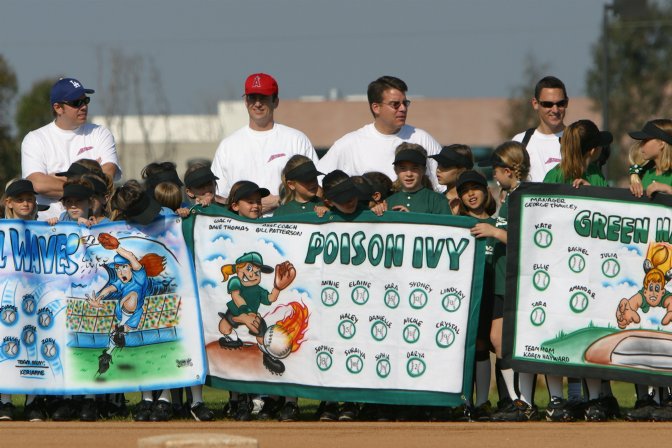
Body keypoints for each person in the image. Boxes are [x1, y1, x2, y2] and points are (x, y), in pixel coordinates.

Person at [476, 141, 536, 422]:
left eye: (497, 171)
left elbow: (528, 240)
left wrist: (493, 231)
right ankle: (515, 401)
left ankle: (522, 402)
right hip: (502, 280)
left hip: (516, 281)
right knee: (497, 338)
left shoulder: (525, 196)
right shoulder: (510, 195)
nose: (494, 177)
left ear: (509, 170)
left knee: (509, 340)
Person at [210, 73, 319, 215]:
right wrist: (248, 206)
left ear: (275, 102)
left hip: (288, 227)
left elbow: (317, 188)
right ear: (245, 101)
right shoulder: (228, 145)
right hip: (242, 231)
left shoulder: (296, 139)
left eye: (263, 98)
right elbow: (218, 197)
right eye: (252, 98)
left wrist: (280, 200)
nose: (257, 103)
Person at [21, 77, 121, 220]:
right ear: (58, 108)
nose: (84, 106)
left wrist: (56, 180)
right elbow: (38, 184)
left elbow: (107, 177)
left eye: (86, 101)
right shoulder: (34, 139)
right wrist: (90, 179)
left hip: (92, 226)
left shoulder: (101, 133)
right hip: (50, 230)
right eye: (76, 103)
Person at [317, 76, 442, 190]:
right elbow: (318, 182)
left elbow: (442, 186)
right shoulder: (350, 143)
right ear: (376, 107)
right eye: (395, 104)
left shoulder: (422, 138)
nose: (403, 108)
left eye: (405, 103)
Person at [455, 170, 498, 421]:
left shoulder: (496, 223)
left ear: (486, 191)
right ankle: (463, 401)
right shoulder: (457, 224)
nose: (471, 194)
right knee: (464, 348)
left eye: (476, 188)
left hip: (491, 292)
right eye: (465, 190)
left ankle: (482, 402)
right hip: (463, 296)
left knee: (482, 345)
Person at [512, 76, 568, 182]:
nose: (555, 110)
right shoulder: (519, 142)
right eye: (548, 104)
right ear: (535, 104)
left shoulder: (579, 140)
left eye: (560, 104)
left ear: (567, 102)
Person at [385, 143, 451, 214]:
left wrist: (412, 219)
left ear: (424, 170)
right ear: (395, 170)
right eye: (403, 168)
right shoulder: (388, 202)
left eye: (415, 168)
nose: (409, 174)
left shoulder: (438, 200)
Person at [543, 119, 611, 187]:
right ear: (592, 151)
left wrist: (591, 191)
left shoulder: (596, 172)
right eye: (600, 145)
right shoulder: (596, 175)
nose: (602, 148)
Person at [628, 119, 672, 198]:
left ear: (661, 144)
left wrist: (668, 189)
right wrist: (633, 191)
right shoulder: (645, 174)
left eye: (645, 140)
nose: (641, 145)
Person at [430, 144, 475, 215]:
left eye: (445, 165)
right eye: (438, 164)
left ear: (462, 170)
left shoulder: (474, 201)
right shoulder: (434, 200)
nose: (438, 169)